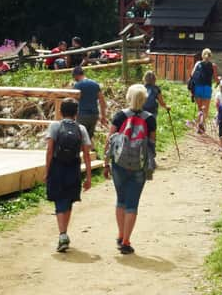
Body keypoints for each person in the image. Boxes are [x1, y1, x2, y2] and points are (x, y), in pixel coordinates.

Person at [103, 84, 156, 255]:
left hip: (119, 163)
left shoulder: (120, 116)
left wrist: (105, 162)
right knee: (132, 204)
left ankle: (119, 235)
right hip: (139, 165)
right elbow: (152, 145)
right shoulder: (150, 119)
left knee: (121, 200)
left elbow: (110, 140)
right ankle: (126, 241)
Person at [45, 98, 93, 253]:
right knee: (69, 200)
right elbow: (86, 154)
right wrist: (89, 177)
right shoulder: (81, 129)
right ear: (76, 113)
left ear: (60, 111)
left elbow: (50, 150)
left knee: (59, 200)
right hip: (74, 167)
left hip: (57, 167)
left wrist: (47, 171)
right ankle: (64, 233)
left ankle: (62, 234)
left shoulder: (55, 126)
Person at [72, 66, 107, 145]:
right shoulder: (95, 84)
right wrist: (103, 116)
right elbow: (102, 101)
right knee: (89, 137)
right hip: (94, 115)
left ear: (76, 75)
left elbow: (74, 102)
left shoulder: (77, 86)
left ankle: (82, 155)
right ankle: (88, 154)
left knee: (80, 139)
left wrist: (72, 117)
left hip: (82, 115)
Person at [191, 48, 218, 134]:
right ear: (210, 56)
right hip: (207, 88)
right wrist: (218, 81)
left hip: (198, 87)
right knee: (205, 109)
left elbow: (192, 74)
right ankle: (202, 124)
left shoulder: (198, 63)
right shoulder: (213, 66)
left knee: (199, 108)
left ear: (202, 55)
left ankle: (199, 126)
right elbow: (216, 78)